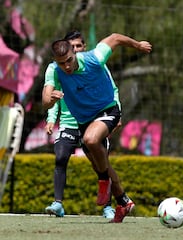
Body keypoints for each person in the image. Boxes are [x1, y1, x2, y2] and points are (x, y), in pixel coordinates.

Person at [42, 32, 152, 223]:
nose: (66, 66)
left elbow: (116, 37)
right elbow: (45, 99)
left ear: (74, 53)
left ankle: (103, 181)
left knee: (91, 140)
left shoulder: (94, 58)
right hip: (85, 120)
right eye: (62, 63)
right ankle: (123, 201)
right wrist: (50, 100)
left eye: (69, 60)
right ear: (55, 61)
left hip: (108, 109)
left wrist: (138, 45)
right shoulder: (53, 70)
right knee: (102, 163)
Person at [44, 30, 120, 219]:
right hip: (71, 123)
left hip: (95, 119)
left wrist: (115, 112)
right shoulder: (57, 71)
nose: (67, 65)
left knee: (100, 164)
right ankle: (58, 203)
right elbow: (49, 97)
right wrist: (51, 116)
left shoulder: (95, 63)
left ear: (81, 48)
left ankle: (108, 206)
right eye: (62, 62)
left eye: (78, 47)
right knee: (60, 156)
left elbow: (112, 89)